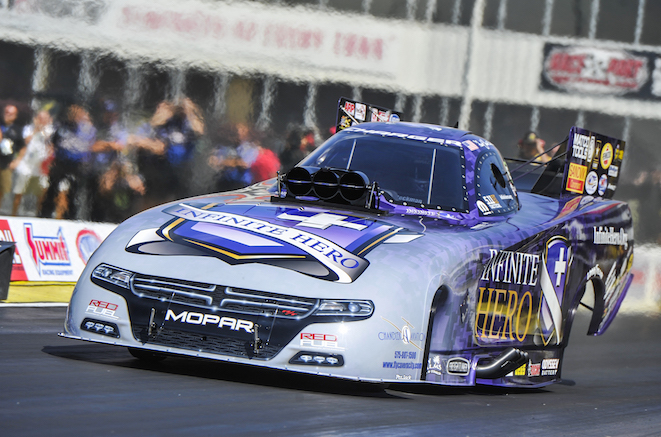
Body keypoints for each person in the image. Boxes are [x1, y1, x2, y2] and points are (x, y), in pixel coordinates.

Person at [40, 104, 96, 219]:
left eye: (78, 115)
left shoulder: (86, 130)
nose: (75, 117)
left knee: (74, 191)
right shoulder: (61, 127)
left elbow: (90, 146)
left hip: (77, 165)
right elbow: (52, 142)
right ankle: (45, 213)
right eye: (73, 114)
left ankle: (71, 216)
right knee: (53, 188)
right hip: (61, 162)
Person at [11, 110, 53, 216]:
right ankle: (14, 214)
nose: (42, 120)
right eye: (40, 118)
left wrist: (43, 130)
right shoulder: (28, 128)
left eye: (44, 118)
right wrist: (36, 130)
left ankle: (38, 215)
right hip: (26, 165)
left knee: (42, 193)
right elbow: (26, 141)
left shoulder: (50, 130)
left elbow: (50, 143)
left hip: (41, 167)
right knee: (19, 192)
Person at [0, 104, 25, 205]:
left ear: (15, 116)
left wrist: (17, 161)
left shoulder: (17, 130)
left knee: (2, 189)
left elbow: (22, 147)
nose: (8, 115)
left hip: (6, 164)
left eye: (11, 114)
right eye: (6, 112)